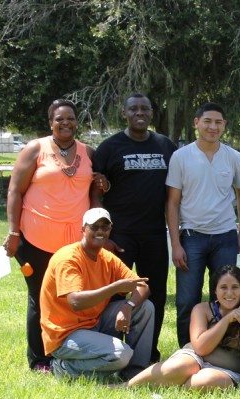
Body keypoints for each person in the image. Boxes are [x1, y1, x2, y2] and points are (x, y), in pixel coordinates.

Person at [3, 99, 107, 372]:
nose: (66, 123)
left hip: (74, 244)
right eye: (59, 119)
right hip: (35, 240)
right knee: (39, 298)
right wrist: (13, 232)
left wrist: (103, 182)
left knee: (71, 300)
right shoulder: (35, 149)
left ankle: (68, 352)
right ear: (50, 122)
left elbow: (98, 187)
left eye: (71, 118)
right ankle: (39, 359)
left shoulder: (88, 152)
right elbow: (15, 191)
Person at [93, 93, 177, 363]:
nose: (139, 112)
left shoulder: (166, 145)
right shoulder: (110, 147)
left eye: (144, 108)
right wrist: (101, 235)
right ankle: (114, 352)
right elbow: (94, 189)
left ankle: (148, 353)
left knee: (156, 294)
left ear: (151, 113)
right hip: (120, 236)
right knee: (116, 293)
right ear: (125, 113)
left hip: (154, 233)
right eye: (134, 109)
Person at [166, 102, 240, 347]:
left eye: (218, 122)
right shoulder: (181, 157)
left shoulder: (234, 157)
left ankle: (224, 350)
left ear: (224, 125)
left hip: (224, 237)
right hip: (191, 238)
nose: (213, 127)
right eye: (208, 121)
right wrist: (176, 243)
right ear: (196, 123)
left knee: (228, 298)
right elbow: (172, 203)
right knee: (186, 300)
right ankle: (187, 351)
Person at [39, 208, 154, 379]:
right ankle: (63, 368)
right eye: (94, 227)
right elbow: (75, 302)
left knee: (145, 307)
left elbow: (143, 286)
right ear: (83, 229)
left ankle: (134, 372)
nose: (100, 231)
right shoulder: (68, 258)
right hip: (64, 335)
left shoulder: (106, 257)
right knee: (121, 354)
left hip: (95, 322)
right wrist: (114, 288)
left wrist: (128, 306)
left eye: (105, 227)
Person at [127, 265, 240, 389]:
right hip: (195, 356)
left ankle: (175, 388)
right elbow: (200, 349)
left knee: (204, 381)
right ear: (215, 290)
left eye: (235, 287)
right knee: (176, 367)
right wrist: (226, 320)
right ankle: (125, 386)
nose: (229, 293)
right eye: (223, 287)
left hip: (226, 369)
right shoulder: (202, 309)